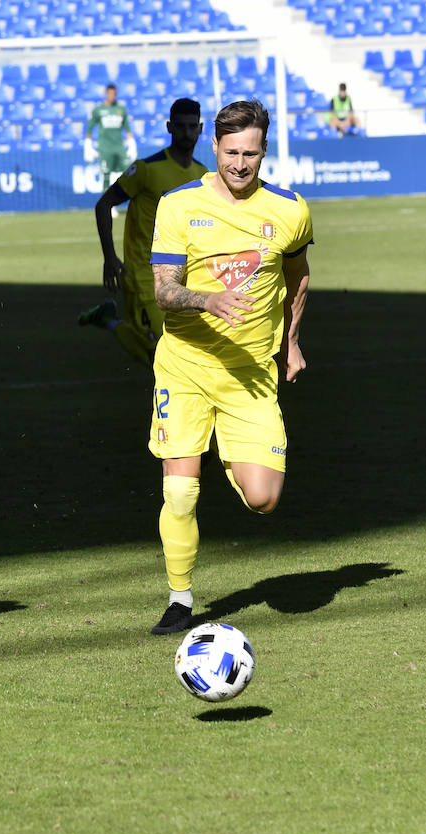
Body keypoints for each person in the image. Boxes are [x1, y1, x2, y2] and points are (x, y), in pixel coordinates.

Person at [147, 100, 313, 636]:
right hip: (185, 366)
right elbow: (164, 291)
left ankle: (229, 451)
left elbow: (299, 276)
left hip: (249, 373)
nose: (240, 164)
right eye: (231, 152)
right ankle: (180, 598)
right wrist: (206, 300)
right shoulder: (177, 205)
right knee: (179, 492)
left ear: (264, 151)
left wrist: (290, 342)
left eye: (251, 153)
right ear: (214, 147)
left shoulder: (290, 210)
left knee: (264, 499)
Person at [80, 98, 207, 365]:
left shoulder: (202, 175)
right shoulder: (147, 169)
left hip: (182, 277)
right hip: (143, 276)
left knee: (176, 352)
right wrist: (110, 258)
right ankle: (111, 322)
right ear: (169, 127)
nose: (186, 133)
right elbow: (104, 204)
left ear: (201, 128)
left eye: (192, 127)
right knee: (159, 355)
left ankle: (108, 320)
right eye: (180, 127)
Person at [86, 83, 135, 194]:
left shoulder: (121, 109)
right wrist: (88, 145)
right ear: (106, 94)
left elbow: (127, 128)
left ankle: (133, 201)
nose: (112, 96)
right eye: (110, 93)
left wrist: (132, 145)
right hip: (105, 148)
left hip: (119, 147)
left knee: (130, 172)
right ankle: (107, 205)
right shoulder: (98, 110)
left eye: (114, 94)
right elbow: (90, 128)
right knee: (106, 175)